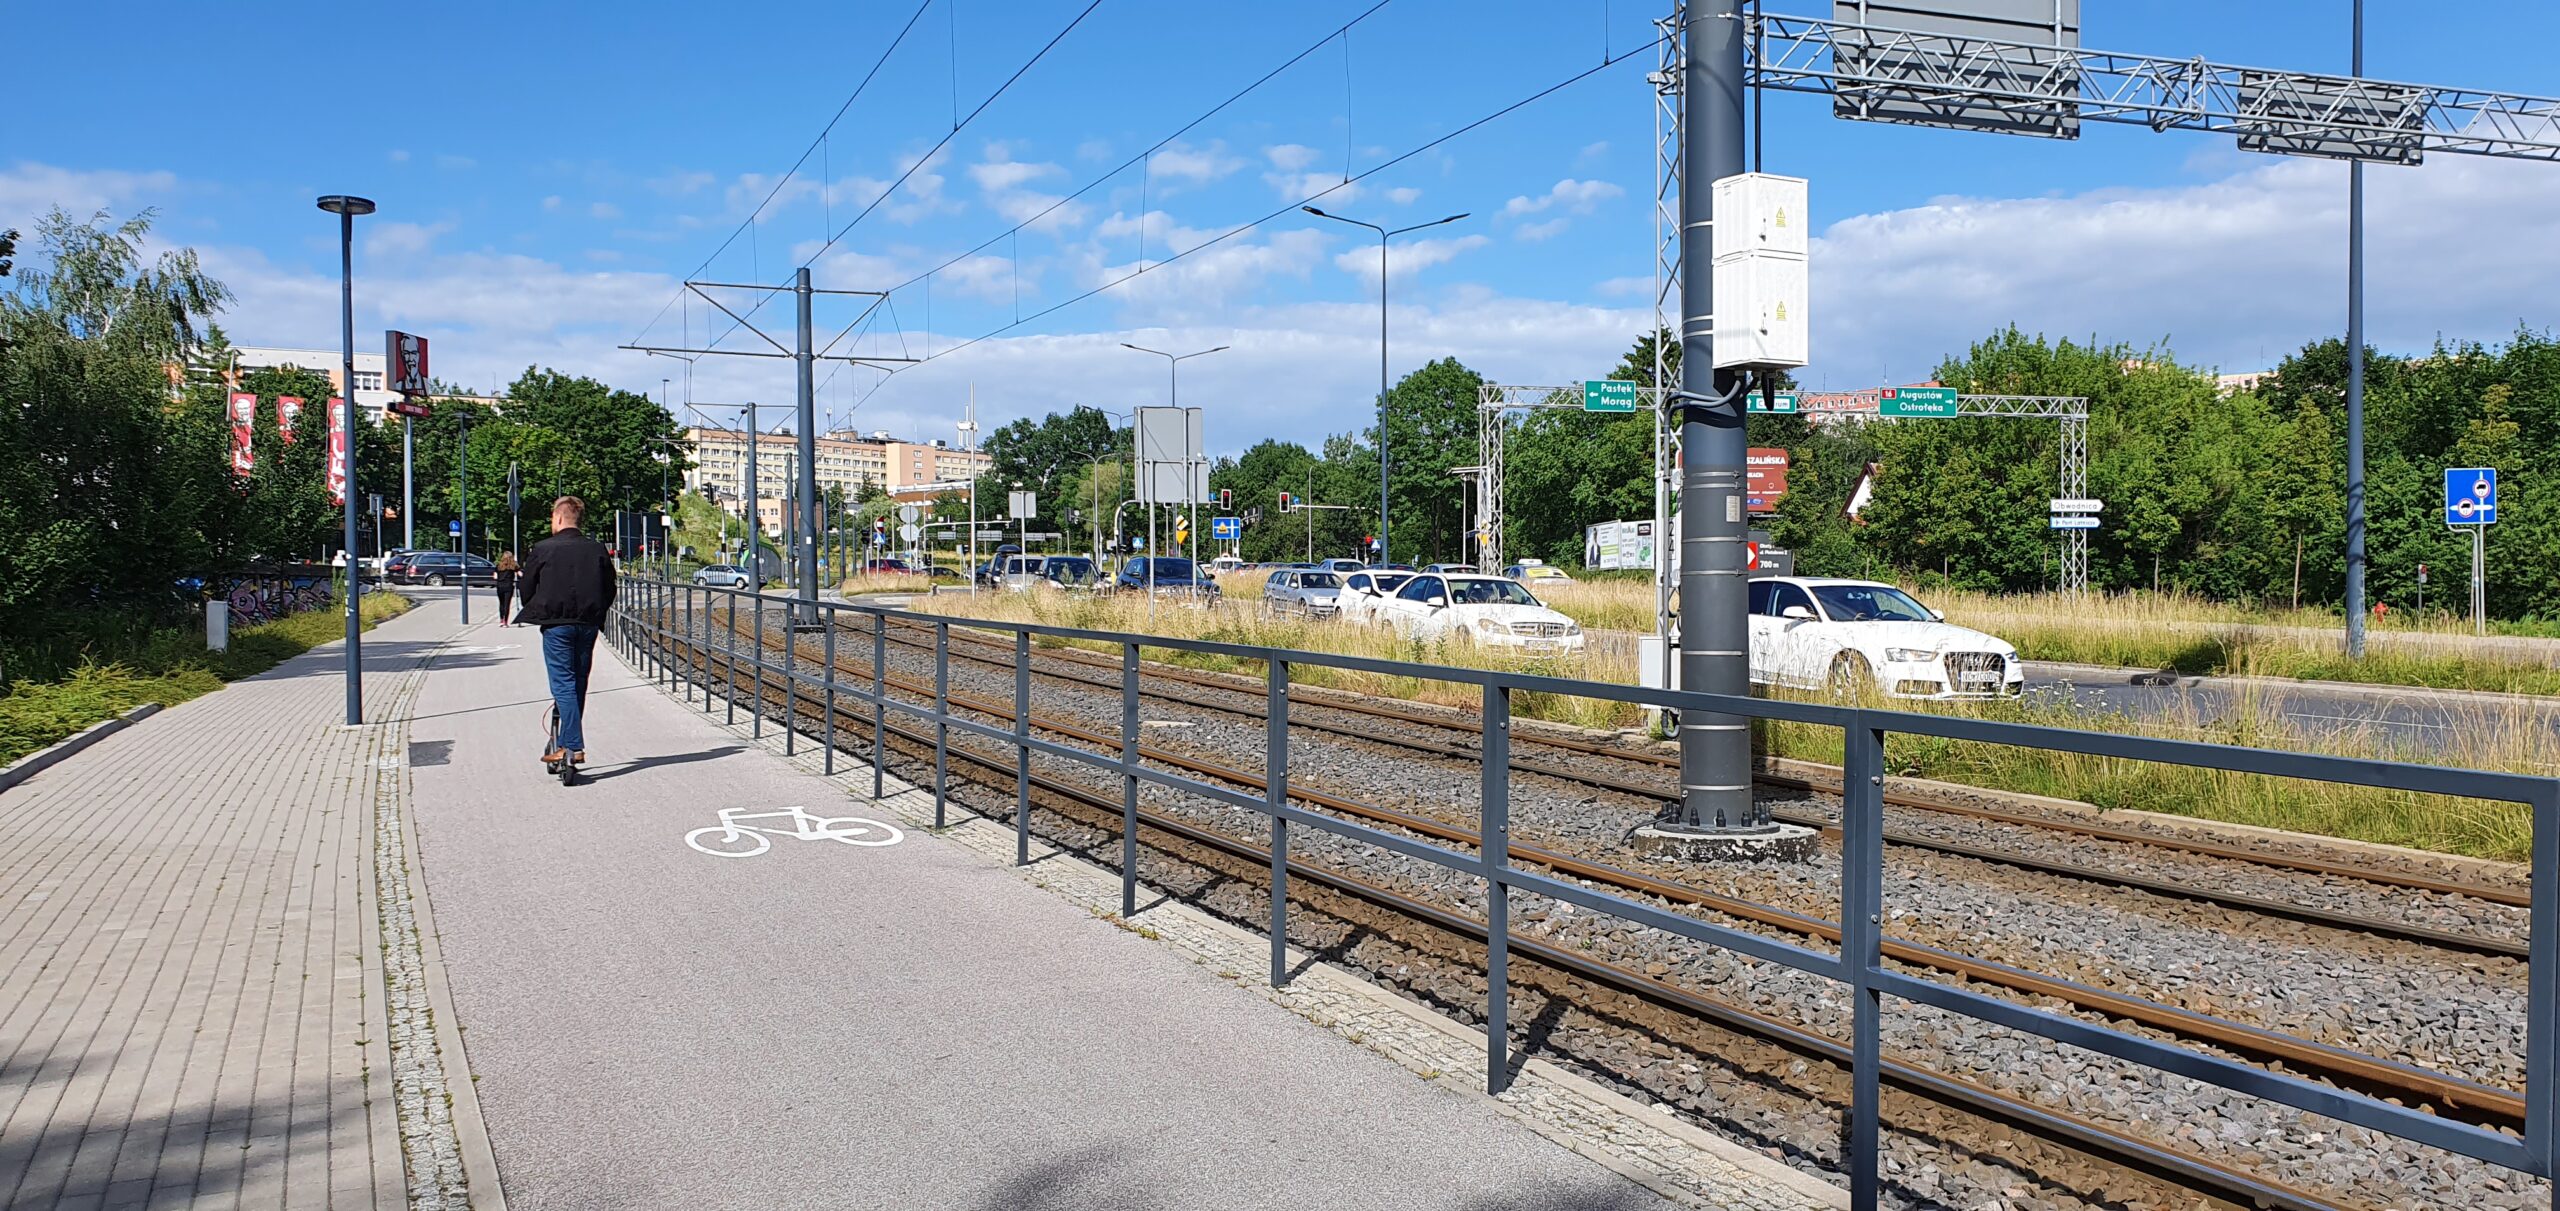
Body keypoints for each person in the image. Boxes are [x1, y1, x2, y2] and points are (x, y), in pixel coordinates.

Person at [516, 496, 617, 767]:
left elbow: (526, 588)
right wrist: (596, 612)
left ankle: (572, 745)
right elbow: (610, 589)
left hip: (556, 624)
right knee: (579, 682)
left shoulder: (543, 548)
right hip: (587, 624)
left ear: (558, 518)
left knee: (563, 683)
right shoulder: (597, 550)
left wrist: (538, 606)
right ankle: (565, 743)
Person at [493, 552, 520, 627]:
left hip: (500, 586)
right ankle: (505, 622)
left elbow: (495, 576)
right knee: (507, 604)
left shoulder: (499, 565)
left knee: (501, 603)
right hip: (509, 586)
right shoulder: (513, 566)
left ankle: (501, 620)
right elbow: (520, 574)